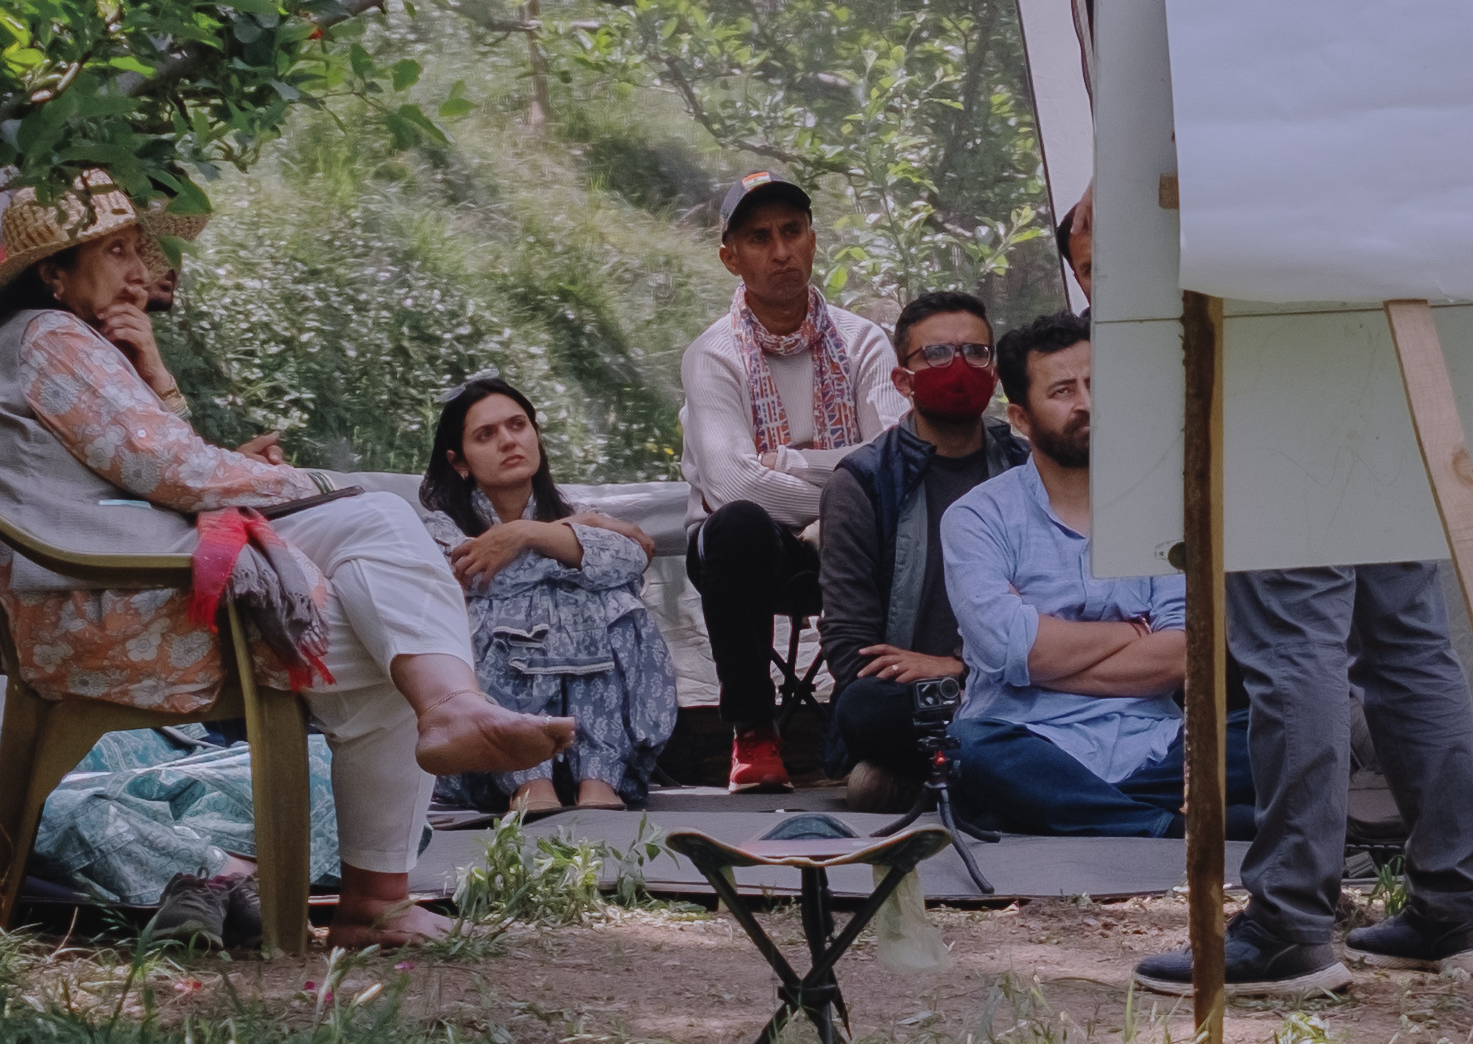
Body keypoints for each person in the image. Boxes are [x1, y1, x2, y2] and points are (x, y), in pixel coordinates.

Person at [0, 173, 575, 948]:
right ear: (54, 272)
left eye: (141, 248)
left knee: (397, 630)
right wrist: (325, 485)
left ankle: (391, 861)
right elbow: (178, 474)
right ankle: (438, 743)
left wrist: (160, 380)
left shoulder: (41, 346)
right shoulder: (53, 337)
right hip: (113, 606)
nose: (140, 267)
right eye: (114, 249)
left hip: (103, 594)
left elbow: (154, 465)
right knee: (380, 536)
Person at [1128, 0, 1473, 998]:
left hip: (1284, 318)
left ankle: (1292, 921)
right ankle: (1459, 903)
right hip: (1424, 325)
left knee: (1292, 629)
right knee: (1406, 628)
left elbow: (1179, 164)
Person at [936, 312, 1251, 837]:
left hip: (1155, 740)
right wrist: (1130, 631)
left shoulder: (1163, 511)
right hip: (1027, 737)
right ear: (1020, 416)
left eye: (1094, 384)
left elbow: (1184, 652)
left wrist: (1043, 653)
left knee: (1274, 732)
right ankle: (1171, 827)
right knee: (968, 748)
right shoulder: (976, 518)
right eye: (1062, 390)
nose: (1086, 403)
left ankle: (1076, 811)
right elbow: (1014, 648)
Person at [677, 172, 905, 791]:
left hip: (849, 538)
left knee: (902, 520)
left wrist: (794, 463)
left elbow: (899, 459)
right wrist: (846, 477)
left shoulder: (864, 342)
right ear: (731, 258)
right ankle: (752, 733)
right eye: (758, 238)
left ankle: (876, 728)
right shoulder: (713, 355)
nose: (779, 251)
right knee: (738, 524)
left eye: (791, 231)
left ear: (812, 239)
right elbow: (732, 483)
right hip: (752, 554)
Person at [419, 376, 673, 815]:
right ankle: (526, 778)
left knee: (610, 602)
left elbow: (631, 560)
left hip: (593, 732)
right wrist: (573, 542)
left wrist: (525, 534)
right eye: (486, 434)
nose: (508, 441)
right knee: (535, 602)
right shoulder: (440, 527)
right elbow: (480, 580)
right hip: (485, 753)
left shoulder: (573, 510)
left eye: (518, 425)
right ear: (458, 461)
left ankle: (600, 773)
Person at [814, 289, 1028, 809]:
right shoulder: (863, 482)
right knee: (864, 707)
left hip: (1021, 679)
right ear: (903, 381)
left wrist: (958, 665)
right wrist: (950, 679)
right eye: (937, 354)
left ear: (995, 373)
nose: (959, 366)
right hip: (936, 703)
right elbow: (849, 649)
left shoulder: (1031, 469)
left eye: (976, 352)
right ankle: (1021, 775)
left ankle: (946, 781)